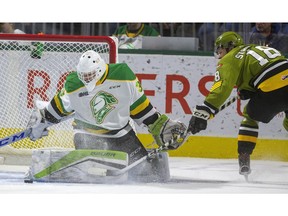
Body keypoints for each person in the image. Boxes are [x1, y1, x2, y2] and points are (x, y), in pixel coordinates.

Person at [28, 50, 187, 166]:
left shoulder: (123, 75)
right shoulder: (73, 83)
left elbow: (140, 108)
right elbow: (56, 109)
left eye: (89, 75)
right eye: (83, 75)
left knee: (148, 172)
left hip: (121, 134)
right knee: (100, 174)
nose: (85, 78)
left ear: (99, 70)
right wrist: (41, 121)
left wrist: (158, 124)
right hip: (86, 135)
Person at [187, 31, 288, 178]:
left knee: (250, 115)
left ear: (229, 47)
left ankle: (244, 156)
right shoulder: (256, 49)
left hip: (273, 86)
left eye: (220, 49)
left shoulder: (230, 57)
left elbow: (222, 88)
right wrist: (249, 88)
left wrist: (204, 111)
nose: (219, 53)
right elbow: (271, 69)